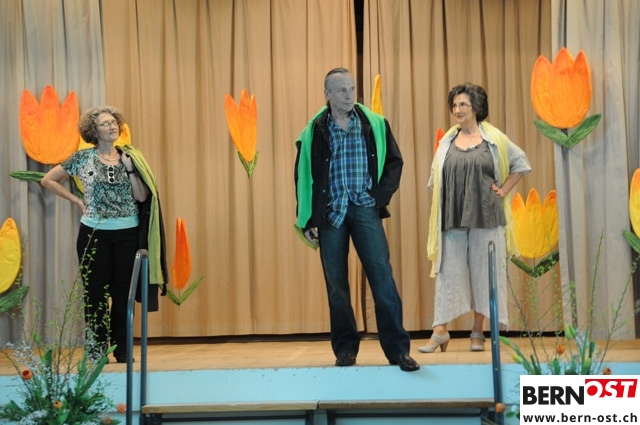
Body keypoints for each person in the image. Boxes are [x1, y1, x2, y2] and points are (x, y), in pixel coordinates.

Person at [294, 68, 419, 372]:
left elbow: (395, 163)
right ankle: (346, 350)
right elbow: (303, 175)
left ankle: (398, 351)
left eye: (351, 89)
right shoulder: (314, 130)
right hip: (331, 213)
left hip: (364, 208)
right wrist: (307, 218)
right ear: (327, 94)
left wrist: (378, 197)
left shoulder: (374, 123)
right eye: (342, 90)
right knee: (336, 286)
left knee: (382, 279)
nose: (349, 95)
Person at [41, 105, 163, 363]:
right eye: (105, 123)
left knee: (122, 294)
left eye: (114, 122)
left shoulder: (129, 157)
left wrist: (130, 170)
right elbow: (48, 180)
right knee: (95, 294)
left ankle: (122, 350)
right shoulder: (82, 158)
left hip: (127, 234)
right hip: (94, 234)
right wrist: (76, 201)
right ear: (93, 131)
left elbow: (142, 197)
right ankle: (97, 350)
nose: (112, 126)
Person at [420, 83, 531, 354]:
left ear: (476, 107)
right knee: (448, 273)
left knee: (485, 273)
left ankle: (478, 330)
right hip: (453, 217)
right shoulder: (447, 142)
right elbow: (435, 180)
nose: (457, 110)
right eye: (454, 105)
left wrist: (503, 189)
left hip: (487, 215)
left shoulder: (494, 139)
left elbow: (521, 163)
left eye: (463, 105)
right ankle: (440, 331)